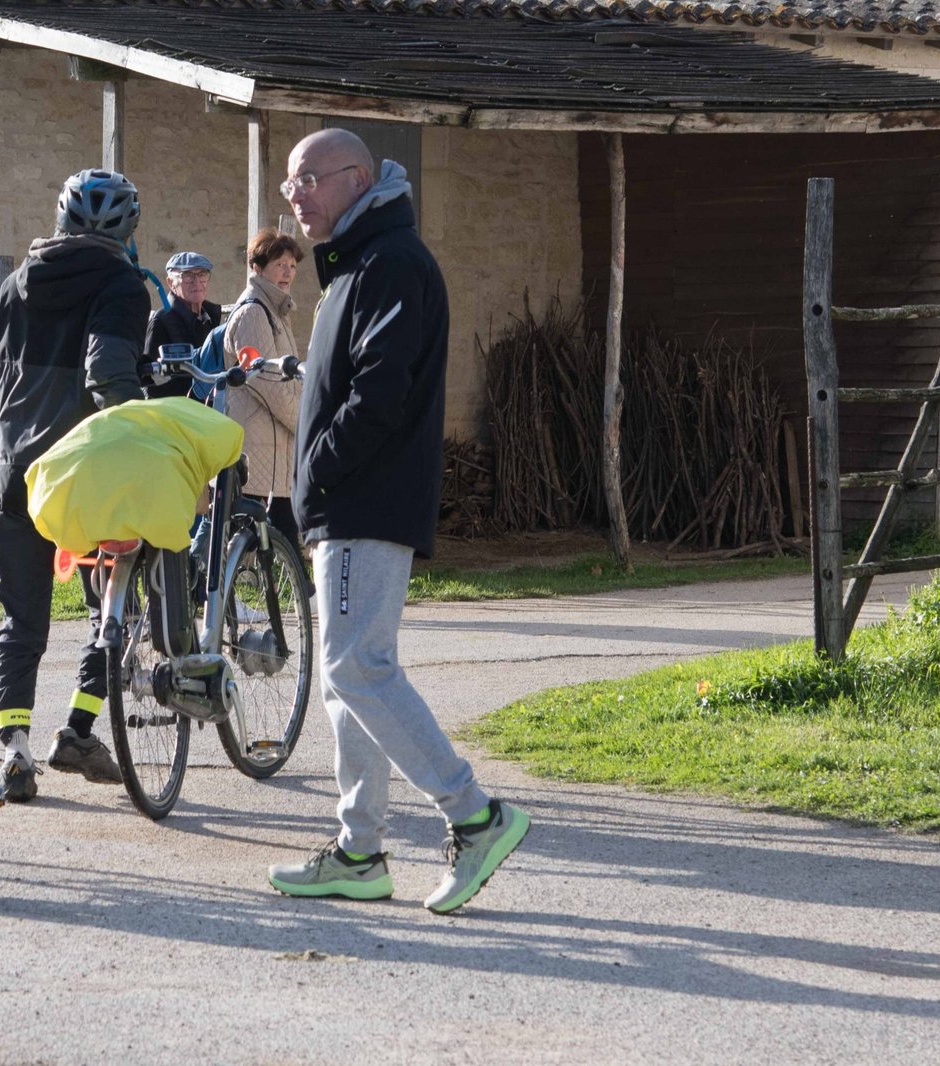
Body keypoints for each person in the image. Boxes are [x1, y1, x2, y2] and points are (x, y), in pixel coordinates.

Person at [268, 128, 530, 914]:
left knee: (358, 669)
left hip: (365, 500)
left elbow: (379, 392)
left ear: (356, 178)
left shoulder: (392, 263)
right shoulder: (358, 264)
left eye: (308, 179)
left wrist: (325, 469)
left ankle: (475, 816)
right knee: (349, 683)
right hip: (346, 504)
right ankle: (359, 852)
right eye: (290, 183)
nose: (296, 196)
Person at [0, 168, 150, 802]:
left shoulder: (12, 287)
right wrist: (139, 421)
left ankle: (16, 748)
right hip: (83, 474)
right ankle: (79, 729)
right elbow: (108, 371)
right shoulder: (122, 284)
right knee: (113, 605)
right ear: (127, 231)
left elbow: (4, 382)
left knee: (21, 620)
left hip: (15, 469)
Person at [222, 228, 305, 555]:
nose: (287, 272)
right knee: (251, 539)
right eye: (279, 264)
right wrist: (304, 424)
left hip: (273, 446)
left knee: (281, 539)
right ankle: (234, 601)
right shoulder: (254, 312)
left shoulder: (276, 312)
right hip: (255, 446)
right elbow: (267, 383)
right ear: (257, 267)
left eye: (292, 265)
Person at [143, 251, 220, 399]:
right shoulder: (162, 321)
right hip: (178, 413)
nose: (197, 283)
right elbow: (150, 384)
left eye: (202, 275)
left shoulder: (211, 318)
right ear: (171, 283)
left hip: (210, 411)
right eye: (188, 276)